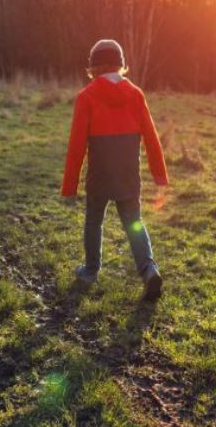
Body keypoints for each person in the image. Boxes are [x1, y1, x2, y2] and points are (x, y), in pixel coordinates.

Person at [61, 39, 168, 301]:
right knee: (134, 221)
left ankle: (90, 270)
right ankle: (148, 269)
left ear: (93, 67)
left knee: (93, 221)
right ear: (121, 65)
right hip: (128, 175)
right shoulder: (136, 94)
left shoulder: (86, 96)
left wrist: (70, 187)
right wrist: (160, 176)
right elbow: (152, 139)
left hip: (100, 176)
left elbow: (76, 145)